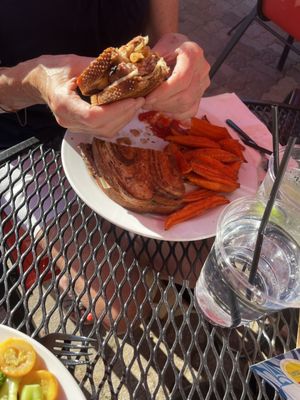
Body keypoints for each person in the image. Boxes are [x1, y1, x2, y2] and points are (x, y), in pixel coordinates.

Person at [0, 0, 211, 333]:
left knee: (212, 262)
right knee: (119, 305)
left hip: (133, 117)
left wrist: (172, 42)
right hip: (22, 137)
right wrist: (34, 81)